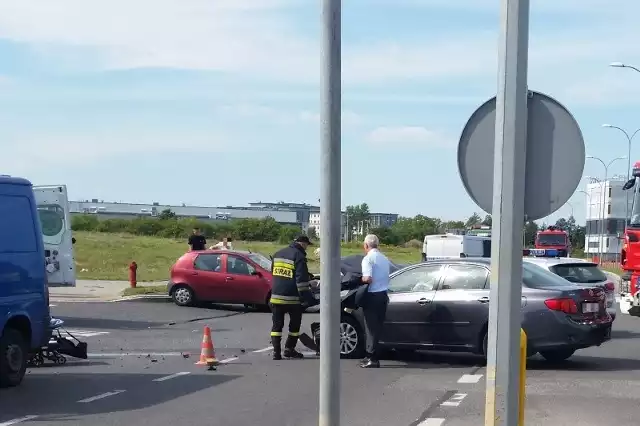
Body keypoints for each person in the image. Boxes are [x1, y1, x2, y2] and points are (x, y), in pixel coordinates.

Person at [269, 235, 317, 360]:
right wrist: (309, 299)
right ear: (303, 244)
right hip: (292, 299)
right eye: (307, 245)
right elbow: (301, 282)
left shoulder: (277, 254)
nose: (306, 248)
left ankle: (276, 352)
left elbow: (274, 274)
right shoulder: (299, 256)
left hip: (275, 297)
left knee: (277, 326)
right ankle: (289, 349)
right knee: (294, 326)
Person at [359, 233, 391, 368]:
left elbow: (367, 279)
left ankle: (372, 358)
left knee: (370, 328)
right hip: (383, 295)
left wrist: (358, 279)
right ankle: (370, 355)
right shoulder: (384, 258)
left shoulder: (368, 259)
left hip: (372, 296)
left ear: (366, 245)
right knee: (377, 328)